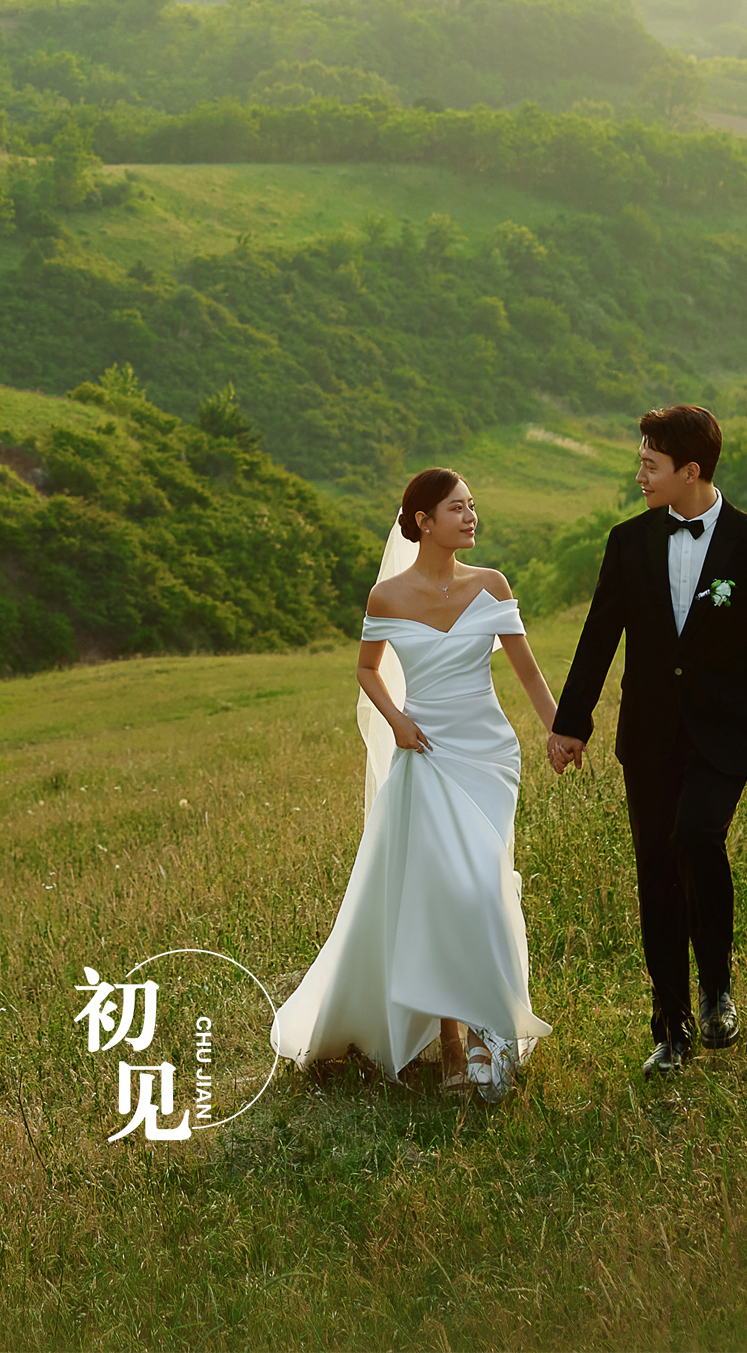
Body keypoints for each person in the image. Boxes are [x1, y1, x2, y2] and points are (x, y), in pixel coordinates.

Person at [272, 469, 562, 1097]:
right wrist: (397, 719)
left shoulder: (492, 586)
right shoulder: (388, 598)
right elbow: (366, 670)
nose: (471, 516)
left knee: (483, 888)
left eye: (473, 507)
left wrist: (559, 731)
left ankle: (493, 1035)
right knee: (439, 896)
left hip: (487, 756)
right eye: (457, 508)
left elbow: (530, 676)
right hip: (425, 754)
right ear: (423, 521)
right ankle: (453, 1042)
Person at [548, 405, 747, 1075]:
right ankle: (671, 1027)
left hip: (728, 730)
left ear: (690, 470)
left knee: (697, 836)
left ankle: (717, 986)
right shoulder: (627, 544)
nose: (639, 474)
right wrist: (571, 724)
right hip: (650, 735)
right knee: (657, 874)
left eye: (650, 464)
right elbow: (598, 637)